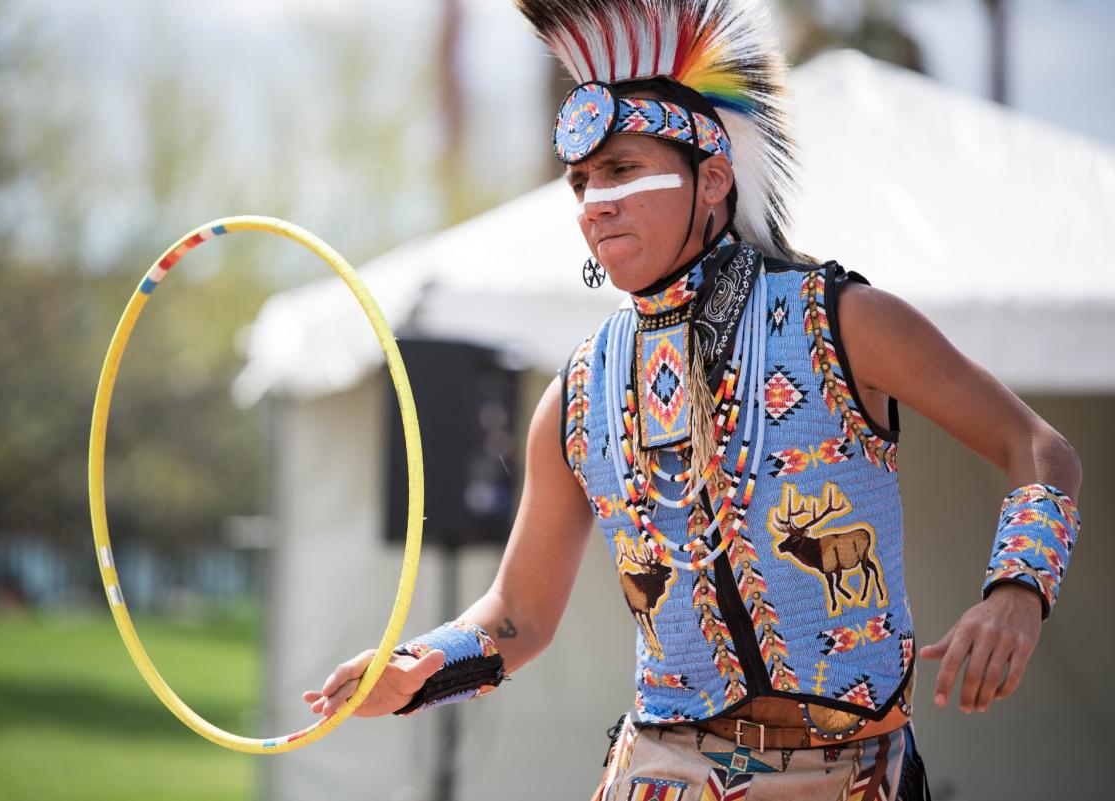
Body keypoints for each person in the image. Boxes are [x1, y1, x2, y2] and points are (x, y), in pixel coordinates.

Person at [303, 1, 1082, 798]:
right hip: (666, 772)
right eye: (579, 182)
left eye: (621, 171)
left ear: (713, 178)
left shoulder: (842, 321)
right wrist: (419, 668)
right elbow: (521, 614)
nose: (592, 204)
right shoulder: (579, 392)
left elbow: (1042, 450)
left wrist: (1018, 590)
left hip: (855, 773)